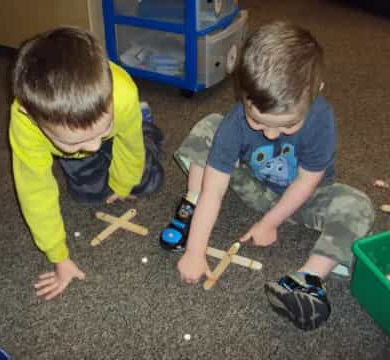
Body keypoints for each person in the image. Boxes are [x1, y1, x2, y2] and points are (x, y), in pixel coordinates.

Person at [159, 21, 374, 330]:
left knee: (357, 205)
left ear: (317, 93)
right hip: (253, 183)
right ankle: (189, 208)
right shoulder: (235, 123)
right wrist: (195, 251)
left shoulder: (322, 119)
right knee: (211, 125)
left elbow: (306, 181)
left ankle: (309, 277)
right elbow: (214, 191)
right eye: (257, 122)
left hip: (303, 197)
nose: (272, 134)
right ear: (242, 94)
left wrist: (270, 222)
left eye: (287, 126)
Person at [9, 27, 164, 301]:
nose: (92, 147)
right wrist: (59, 256)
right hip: (79, 136)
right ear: (32, 118)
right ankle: (80, 145)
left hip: (125, 127)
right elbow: (35, 191)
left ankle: (147, 124)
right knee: (86, 195)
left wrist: (123, 180)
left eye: (98, 134)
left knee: (148, 182)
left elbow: (128, 144)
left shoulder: (123, 94)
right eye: (76, 141)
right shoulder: (24, 124)